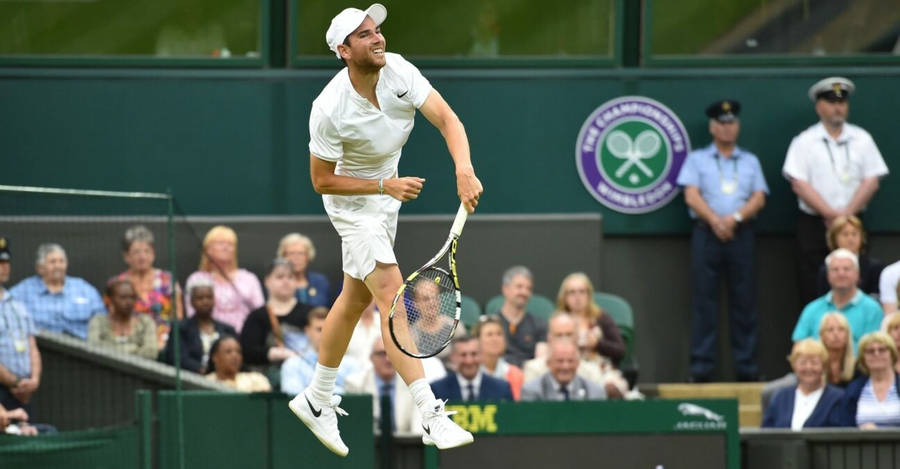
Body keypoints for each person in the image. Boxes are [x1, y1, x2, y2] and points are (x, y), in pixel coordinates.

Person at [289, 3, 483, 456]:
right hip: (353, 204)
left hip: (385, 197)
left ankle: (317, 398)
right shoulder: (329, 108)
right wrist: (382, 184)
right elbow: (320, 180)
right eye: (364, 35)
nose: (377, 39)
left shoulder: (398, 70)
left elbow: (448, 120)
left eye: (377, 30)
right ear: (343, 50)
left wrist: (464, 169)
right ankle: (430, 414)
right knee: (392, 297)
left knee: (354, 297)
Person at [676, 99, 768, 382]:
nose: (728, 129)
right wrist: (716, 220)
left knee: (745, 303)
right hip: (706, 234)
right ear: (713, 127)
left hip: (742, 235)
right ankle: (702, 370)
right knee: (704, 302)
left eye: (733, 123)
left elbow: (759, 197)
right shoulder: (697, 159)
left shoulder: (750, 160)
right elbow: (691, 195)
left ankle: (747, 370)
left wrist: (735, 219)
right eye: (723, 123)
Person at [782, 77, 889, 306]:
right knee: (813, 286)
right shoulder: (804, 141)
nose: (838, 107)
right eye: (831, 102)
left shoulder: (862, 138)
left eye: (842, 102)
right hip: (815, 225)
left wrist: (846, 217)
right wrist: (831, 215)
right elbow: (799, 183)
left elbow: (872, 180)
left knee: (859, 282)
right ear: (819, 106)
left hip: (853, 225)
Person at [344, 337, 444, 435]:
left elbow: (418, 427)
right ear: (371, 358)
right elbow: (354, 426)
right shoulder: (355, 384)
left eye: (392, 353)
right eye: (382, 354)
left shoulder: (413, 384)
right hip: (368, 444)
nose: (387, 359)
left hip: (406, 445)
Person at [109, 225, 183, 351]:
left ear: (153, 254)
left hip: (165, 342)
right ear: (126, 256)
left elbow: (178, 318)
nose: (142, 257)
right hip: (130, 342)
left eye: (147, 251)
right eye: (136, 252)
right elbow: (112, 318)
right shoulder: (116, 284)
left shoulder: (168, 280)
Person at [792, 249, 882, 351]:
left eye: (846, 269)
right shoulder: (812, 309)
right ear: (827, 275)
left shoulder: (873, 309)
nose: (841, 273)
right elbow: (798, 348)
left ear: (857, 274)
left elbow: (875, 350)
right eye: (835, 269)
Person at [10, 243, 105, 340]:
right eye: (52, 262)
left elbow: (103, 320)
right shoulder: (22, 292)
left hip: (82, 349)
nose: (58, 266)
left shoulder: (84, 289)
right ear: (40, 268)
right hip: (41, 348)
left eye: (61, 261)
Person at [185, 226, 264, 334]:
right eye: (220, 243)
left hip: (246, 337)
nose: (226, 247)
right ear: (208, 249)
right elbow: (192, 314)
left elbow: (260, 312)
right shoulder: (197, 279)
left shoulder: (249, 278)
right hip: (209, 337)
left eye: (230, 244)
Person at [555, 273, 627, 392]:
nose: (577, 297)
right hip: (568, 371)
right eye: (572, 292)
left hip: (601, 371)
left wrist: (597, 344)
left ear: (589, 295)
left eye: (582, 292)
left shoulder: (601, 317)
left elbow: (620, 350)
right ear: (564, 297)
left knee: (610, 388)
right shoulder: (558, 322)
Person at [240, 259, 311, 372]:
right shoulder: (257, 316)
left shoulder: (309, 313)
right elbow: (247, 352)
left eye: (290, 277)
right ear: (267, 281)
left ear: (296, 282)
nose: (285, 281)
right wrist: (275, 353)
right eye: (279, 277)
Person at [0, 237, 42, 413]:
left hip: (24, 394)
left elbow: (32, 345)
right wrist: (15, 383)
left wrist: (34, 380)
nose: (4, 267)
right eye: (0, 263)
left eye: (6, 262)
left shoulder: (17, 304)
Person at [762, 339, 844, 429]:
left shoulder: (838, 399)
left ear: (823, 366)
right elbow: (766, 432)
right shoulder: (780, 397)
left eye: (814, 363)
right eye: (803, 362)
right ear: (794, 366)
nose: (808, 367)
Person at [163, 278, 236, 374]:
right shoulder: (181, 329)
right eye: (200, 298)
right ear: (192, 302)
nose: (205, 301)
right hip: (192, 380)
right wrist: (203, 370)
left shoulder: (227, 330)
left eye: (209, 297)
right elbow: (177, 359)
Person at [281, 307, 359, 396]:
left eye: (329, 329)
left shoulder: (351, 364)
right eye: (319, 329)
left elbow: (357, 396)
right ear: (308, 331)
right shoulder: (292, 365)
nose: (324, 334)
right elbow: (293, 396)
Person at [840, 332, 900, 428]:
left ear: (892, 354)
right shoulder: (853, 389)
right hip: (862, 442)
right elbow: (844, 425)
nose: (876, 354)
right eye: (870, 351)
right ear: (863, 358)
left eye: (882, 350)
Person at [88, 280, 158, 360]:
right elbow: (93, 350)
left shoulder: (146, 322)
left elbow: (151, 353)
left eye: (132, 297)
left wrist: (110, 349)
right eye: (123, 297)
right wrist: (134, 348)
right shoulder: (98, 321)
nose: (128, 302)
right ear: (111, 299)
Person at [815, 215, 884, 297]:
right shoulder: (825, 269)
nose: (850, 239)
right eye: (845, 234)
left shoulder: (875, 267)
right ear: (834, 238)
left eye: (854, 234)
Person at [430, 335, 513, 402]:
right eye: (463, 355)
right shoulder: (438, 390)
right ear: (453, 357)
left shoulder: (501, 389)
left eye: (474, 354)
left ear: (481, 355)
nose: (469, 361)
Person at [521, 339, 607, 401]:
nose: (565, 366)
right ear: (548, 363)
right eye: (560, 361)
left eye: (570, 361)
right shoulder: (532, 390)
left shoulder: (594, 392)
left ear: (578, 364)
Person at [496, 266, 547, 367]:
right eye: (519, 287)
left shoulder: (539, 325)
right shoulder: (492, 323)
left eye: (528, 288)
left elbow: (541, 362)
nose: (524, 292)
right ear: (505, 289)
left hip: (529, 376)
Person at [473, 316, 523, 400]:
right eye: (489, 334)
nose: (495, 339)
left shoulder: (515, 374)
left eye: (499, 334)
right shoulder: (471, 373)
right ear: (477, 340)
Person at [277, 233, 331, 307]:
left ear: (308, 257)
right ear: (283, 256)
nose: (296, 258)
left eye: (301, 253)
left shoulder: (320, 281)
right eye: (291, 253)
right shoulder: (277, 282)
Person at [206, 335, 271, 392]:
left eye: (238, 352)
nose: (235, 356)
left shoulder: (257, 380)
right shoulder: (205, 383)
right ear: (215, 357)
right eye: (228, 352)